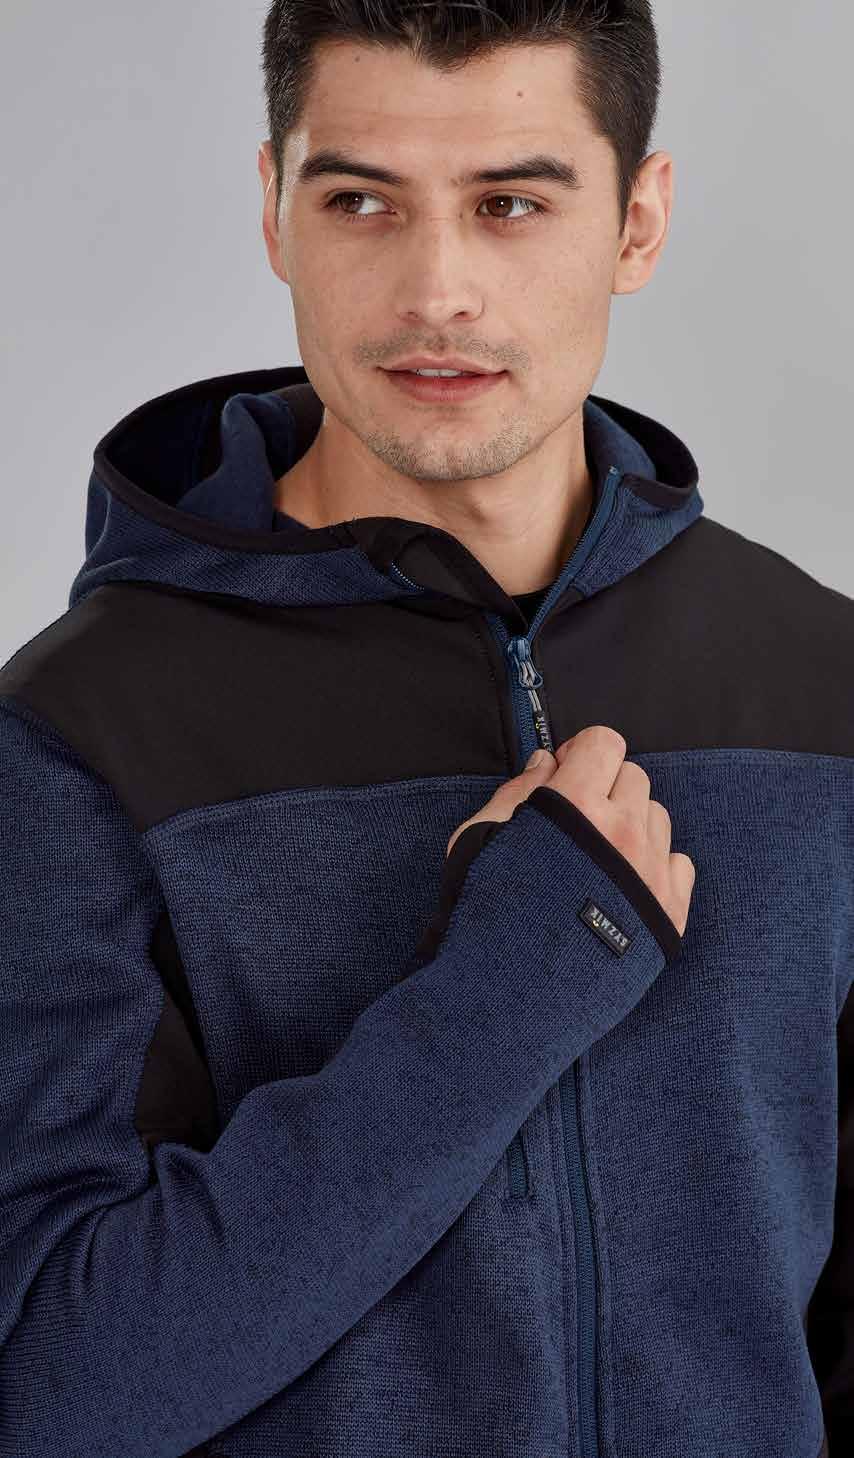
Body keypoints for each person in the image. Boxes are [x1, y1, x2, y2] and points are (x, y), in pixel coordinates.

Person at [0, 4, 850, 1456]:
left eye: (511, 203)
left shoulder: (821, 683)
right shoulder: (84, 733)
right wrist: (508, 994)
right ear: (274, 211)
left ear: (638, 221)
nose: (435, 288)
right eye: (361, 202)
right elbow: (51, 1389)